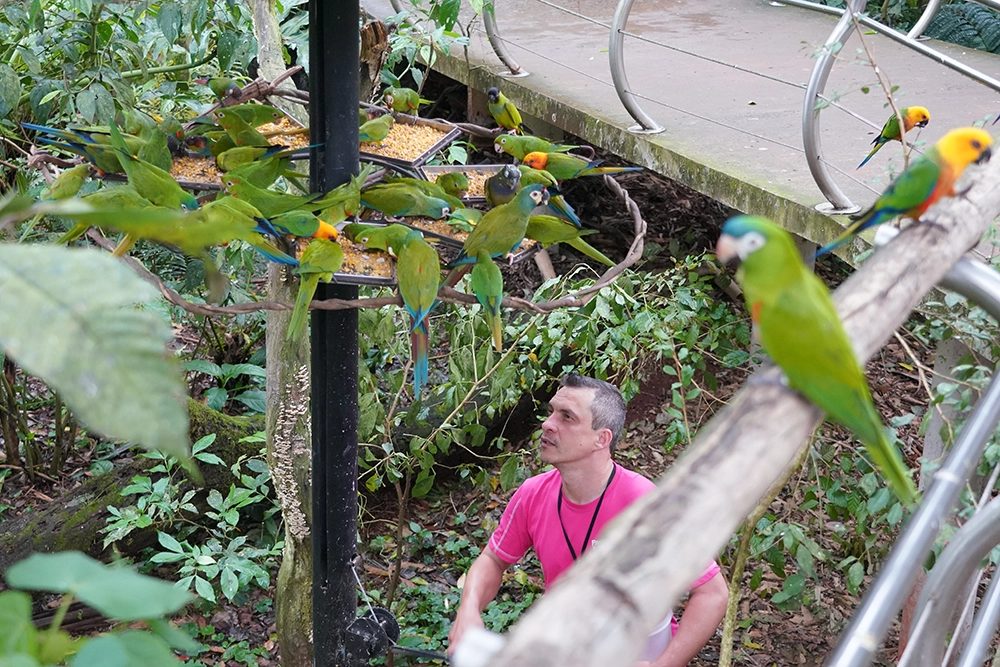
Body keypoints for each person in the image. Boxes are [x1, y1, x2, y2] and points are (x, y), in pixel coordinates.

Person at [448, 374, 729, 666]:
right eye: (551, 412)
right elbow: (493, 560)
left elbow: (712, 593)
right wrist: (468, 610)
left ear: (601, 439)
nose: (547, 424)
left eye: (567, 417)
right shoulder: (533, 493)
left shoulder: (646, 505)